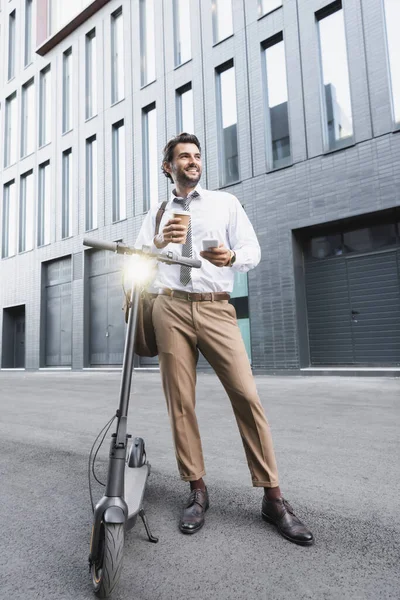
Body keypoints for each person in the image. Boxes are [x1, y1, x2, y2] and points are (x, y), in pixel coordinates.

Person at [135, 133, 314, 546]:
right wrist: (160, 240)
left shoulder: (225, 204)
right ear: (169, 167)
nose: (193, 161)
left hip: (216, 306)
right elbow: (140, 256)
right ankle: (197, 491)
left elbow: (252, 251)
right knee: (181, 402)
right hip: (170, 307)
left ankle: (273, 498)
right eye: (184, 157)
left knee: (247, 396)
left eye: (197, 156)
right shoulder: (158, 211)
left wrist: (231, 257)